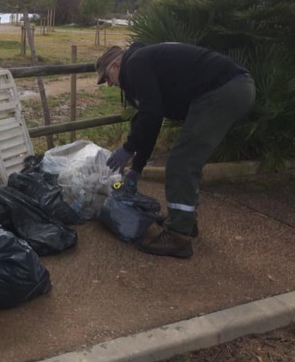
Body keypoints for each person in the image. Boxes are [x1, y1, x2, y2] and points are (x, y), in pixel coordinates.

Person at [95, 42, 255, 258]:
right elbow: (151, 120)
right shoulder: (142, 62)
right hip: (233, 87)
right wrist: (137, 168)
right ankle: (184, 222)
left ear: (116, 64)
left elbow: (151, 114)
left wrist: (128, 147)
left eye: (106, 78)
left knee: (181, 162)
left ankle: (178, 236)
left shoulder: (134, 65)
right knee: (188, 160)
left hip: (224, 90)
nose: (109, 84)